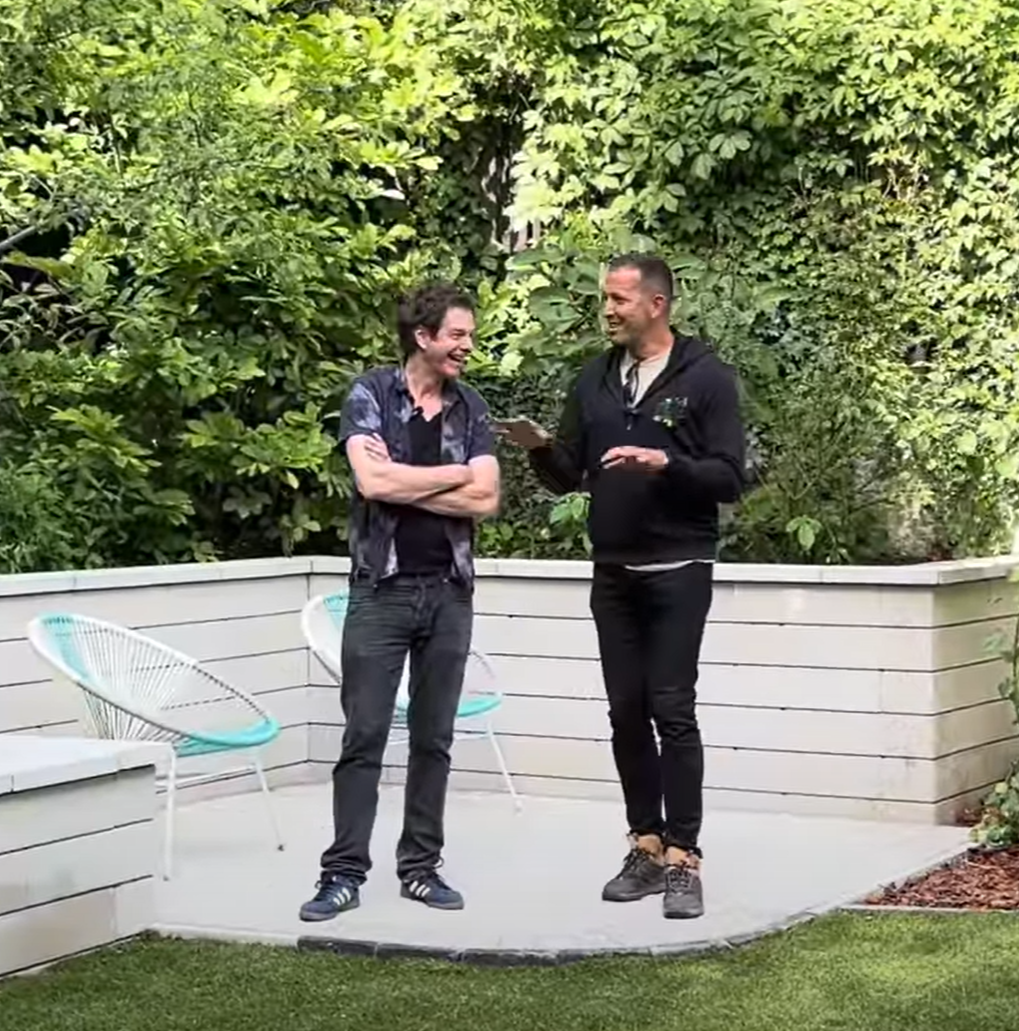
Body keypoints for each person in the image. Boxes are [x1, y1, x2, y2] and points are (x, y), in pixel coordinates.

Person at [497, 253, 746, 920]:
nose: (607, 310)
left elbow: (730, 477)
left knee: (672, 710)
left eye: (618, 299)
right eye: (604, 298)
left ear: (656, 304)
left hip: (678, 570)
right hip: (612, 573)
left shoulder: (707, 379)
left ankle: (684, 857)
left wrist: (666, 462)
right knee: (625, 712)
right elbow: (572, 475)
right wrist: (539, 447)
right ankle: (645, 845)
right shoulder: (595, 378)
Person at [300, 282, 502, 923]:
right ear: (423, 336)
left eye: (469, 336)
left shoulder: (471, 406)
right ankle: (342, 874)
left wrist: (406, 483)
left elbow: (487, 498)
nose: (468, 346)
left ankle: (420, 869)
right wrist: (454, 474)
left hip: (449, 594)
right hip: (380, 592)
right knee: (363, 735)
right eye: (458, 335)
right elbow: (371, 481)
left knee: (433, 739)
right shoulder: (370, 395)